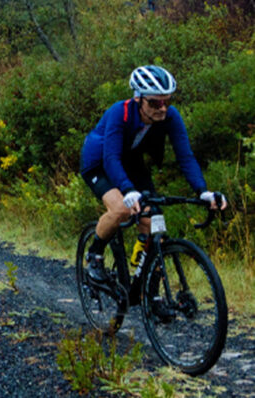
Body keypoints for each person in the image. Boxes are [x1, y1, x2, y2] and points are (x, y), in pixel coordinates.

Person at [80, 65, 227, 283]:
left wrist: (202, 191)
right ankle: (95, 255)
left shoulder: (170, 117)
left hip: (131, 162)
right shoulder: (119, 112)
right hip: (98, 162)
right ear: (138, 98)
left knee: (153, 220)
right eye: (155, 102)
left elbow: (185, 156)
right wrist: (128, 190)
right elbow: (110, 158)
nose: (162, 108)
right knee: (121, 209)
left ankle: (150, 293)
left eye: (167, 101)